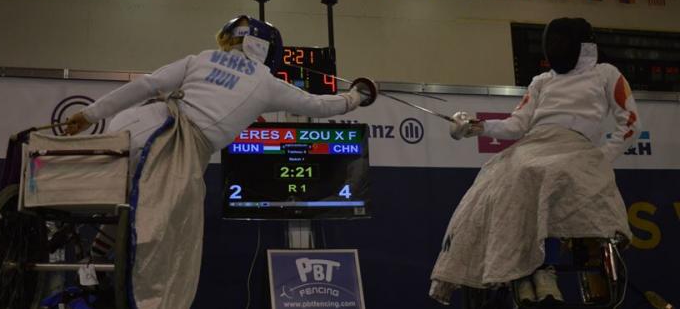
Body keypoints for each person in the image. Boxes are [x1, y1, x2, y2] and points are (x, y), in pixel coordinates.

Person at [65, 15, 376, 309]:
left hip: (132, 125)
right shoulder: (266, 82)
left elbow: (146, 85)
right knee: (172, 232)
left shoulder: (199, 58)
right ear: (269, 49)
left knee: (125, 206)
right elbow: (320, 105)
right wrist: (357, 96)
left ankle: (94, 262)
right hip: (172, 150)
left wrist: (90, 114)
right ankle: (141, 297)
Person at [430, 18, 640, 304]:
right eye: (552, 42)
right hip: (534, 144)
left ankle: (543, 269)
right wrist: (476, 127)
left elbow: (629, 123)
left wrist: (600, 158)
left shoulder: (606, 74)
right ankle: (516, 273)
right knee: (493, 176)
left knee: (537, 172)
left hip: (575, 146)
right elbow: (516, 125)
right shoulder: (542, 81)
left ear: (582, 45)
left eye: (562, 42)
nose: (556, 48)